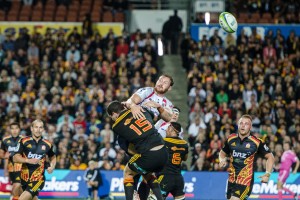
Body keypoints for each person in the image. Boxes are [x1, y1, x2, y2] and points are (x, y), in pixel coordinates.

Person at [106, 100, 168, 200]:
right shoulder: (141, 110)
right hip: (164, 152)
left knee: (127, 172)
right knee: (148, 174)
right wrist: (133, 106)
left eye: (111, 117)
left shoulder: (116, 126)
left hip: (149, 154)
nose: (113, 120)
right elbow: (153, 116)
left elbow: (130, 150)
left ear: (114, 114)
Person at [219, 114, 275, 200]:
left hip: (245, 181)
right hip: (231, 179)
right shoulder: (231, 139)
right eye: (241, 123)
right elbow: (222, 153)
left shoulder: (256, 142)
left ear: (250, 127)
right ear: (238, 125)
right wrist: (221, 160)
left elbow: (270, 157)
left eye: (246, 124)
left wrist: (267, 174)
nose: (243, 125)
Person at [13, 119, 56, 200]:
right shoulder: (23, 141)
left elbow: (53, 157)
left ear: (43, 129)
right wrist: (28, 160)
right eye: (36, 127)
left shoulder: (47, 144)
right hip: (24, 179)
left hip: (38, 180)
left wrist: (52, 166)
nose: (38, 130)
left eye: (40, 127)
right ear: (31, 128)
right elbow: (15, 158)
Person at [158, 122, 188, 200]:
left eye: (167, 128)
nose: (166, 131)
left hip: (165, 177)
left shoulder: (163, 141)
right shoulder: (185, 144)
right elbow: (185, 158)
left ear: (171, 129)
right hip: (178, 178)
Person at [0, 122, 23, 200]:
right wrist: (3, 156)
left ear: (19, 129)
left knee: (17, 185)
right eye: (12, 128)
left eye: (16, 128)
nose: (14, 130)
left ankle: (13, 198)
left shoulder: (24, 140)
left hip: (22, 168)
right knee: (19, 190)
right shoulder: (5, 140)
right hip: (11, 168)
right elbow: (1, 154)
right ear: (10, 130)